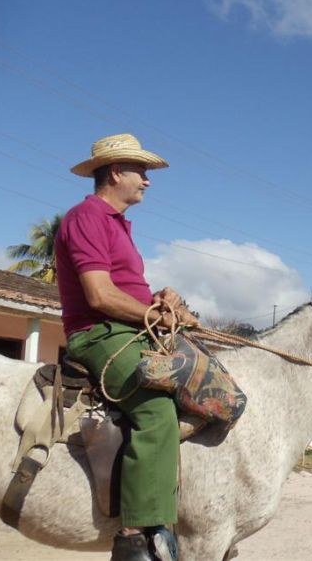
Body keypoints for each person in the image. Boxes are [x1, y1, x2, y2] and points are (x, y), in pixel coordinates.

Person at [55, 133, 199, 561]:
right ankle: (134, 539)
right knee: (156, 409)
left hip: (125, 330)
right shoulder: (87, 216)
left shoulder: (117, 224)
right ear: (116, 172)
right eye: (142, 172)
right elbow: (99, 296)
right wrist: (157, 317)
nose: (148, 181)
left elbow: (126, 290)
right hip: (97, 334)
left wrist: (161, 300)